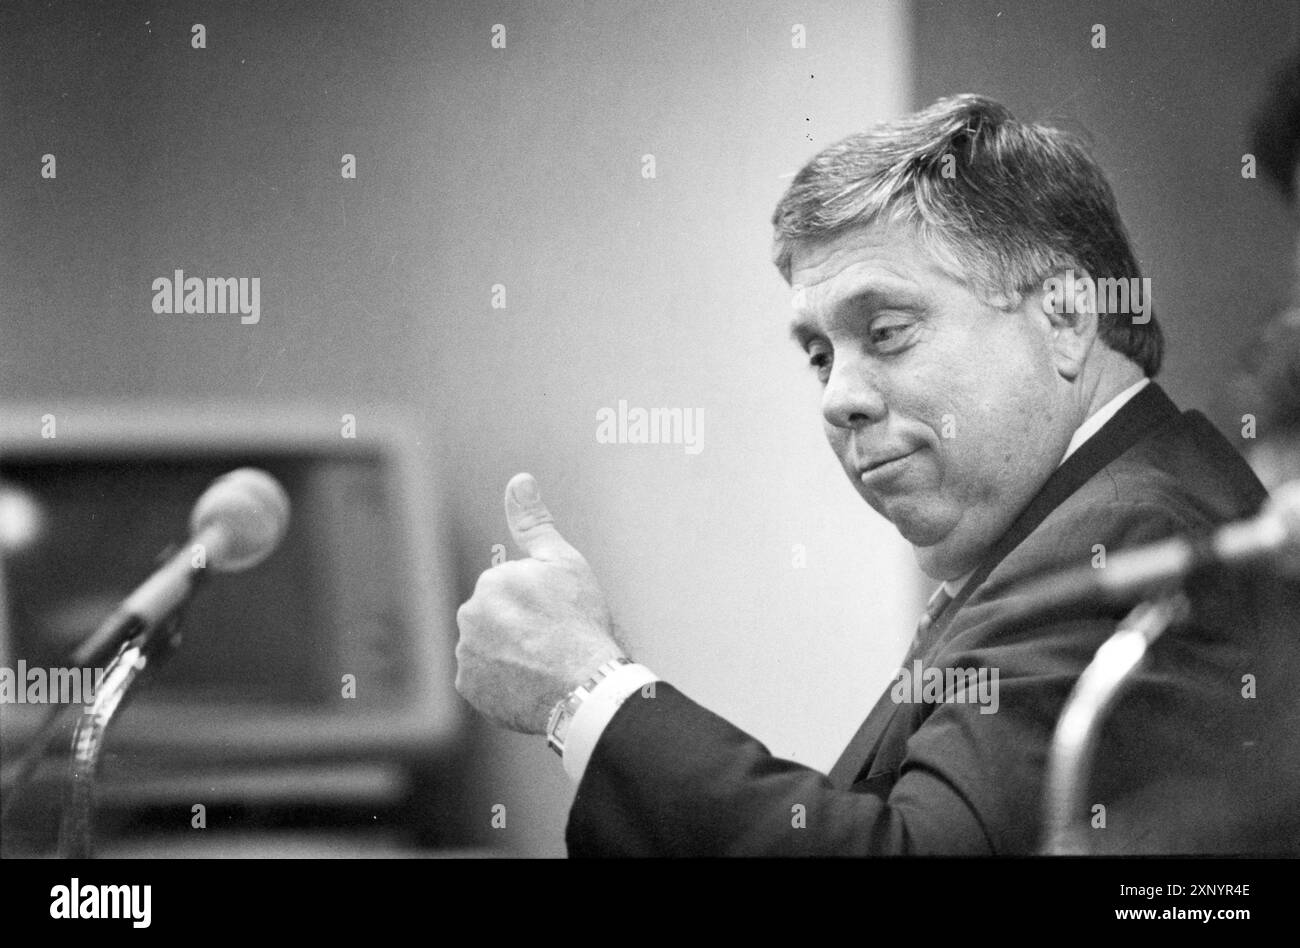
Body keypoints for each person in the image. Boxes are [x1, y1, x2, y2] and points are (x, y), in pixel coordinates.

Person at [454, 94, 1295, 855]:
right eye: (819, 356)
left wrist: (586, 692)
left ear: (1066, 314)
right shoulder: (1092, 512)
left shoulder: (1131, 530)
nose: (839, 398)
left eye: (887, 330)